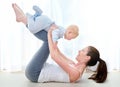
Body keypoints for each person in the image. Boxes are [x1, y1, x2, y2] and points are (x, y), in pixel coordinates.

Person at [12, 3, 79, 44]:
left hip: (45, 19)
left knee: (35, 21)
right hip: (45, 23)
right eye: (71, 38)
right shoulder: (61, 32)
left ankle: (38, 13)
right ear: (69, 32)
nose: (70, 40)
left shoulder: (63, 29)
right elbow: (55, 32)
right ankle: (29, 17)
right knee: (32, 28)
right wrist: (54, 42)